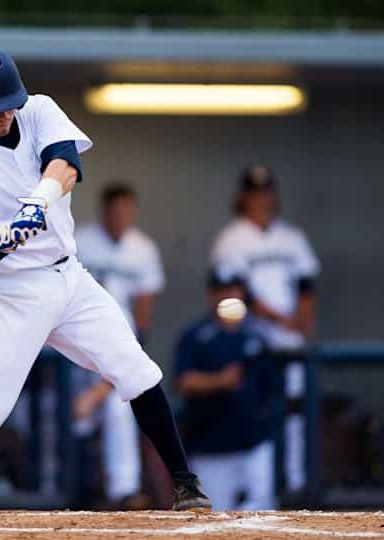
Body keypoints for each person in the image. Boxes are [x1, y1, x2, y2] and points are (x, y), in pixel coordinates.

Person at [0, 45, 209, 511]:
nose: (6, 115)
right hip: (9, 292)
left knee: (138, 372)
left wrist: (36, 204)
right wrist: (4, 239)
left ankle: (185, 483)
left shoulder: (37, 109)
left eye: (10, 103)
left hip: (70, 279)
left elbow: (66, 162)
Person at [210, 163, 320, 492]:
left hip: (289, 340)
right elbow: (236, 290)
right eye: (253, 193)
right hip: (251, 337)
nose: (260, 198)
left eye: (265, 192)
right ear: (242, 197)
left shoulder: (291, 237)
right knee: (254, 412)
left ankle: (296, 481)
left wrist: (302, 321)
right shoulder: (231, 238)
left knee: (295, 411)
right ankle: (260, 487)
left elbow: (306, 286)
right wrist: (282, 319)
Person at [73, 182, 165, 507]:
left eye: (127, 210)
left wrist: (97, 392)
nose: (120, 217)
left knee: (118, 408)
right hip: (74, 352)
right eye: (115, 210)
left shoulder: (143, 250)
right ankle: (69, 486)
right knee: (58, 412)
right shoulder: (81, 241)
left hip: (113, 358)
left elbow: (143, 318)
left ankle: (123, 492)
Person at [174, 268, 278, 510]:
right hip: (211, 447)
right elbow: (183, 381)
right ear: (211, 295)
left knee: (261, 510)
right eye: (220, 290)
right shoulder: (195, 335)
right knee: (215, 517)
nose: (227, 295)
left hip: (253, 444)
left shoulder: (258, 335)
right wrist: (219, 381)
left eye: (233, 289)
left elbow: (272, 389)